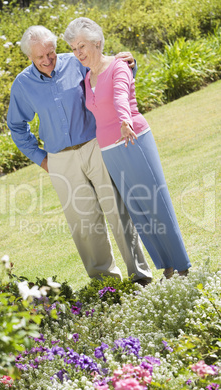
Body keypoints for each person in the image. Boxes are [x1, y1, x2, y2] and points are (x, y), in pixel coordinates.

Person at [7, 25, 153, 284]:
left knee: (117, 210)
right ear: (29, 57)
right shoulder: (23, 84)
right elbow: (17, 126)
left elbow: (110, 76)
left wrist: (129, 65)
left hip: (96, 146)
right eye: (39, 57)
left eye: (50, 53)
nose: (47, 60)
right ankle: (105, 285)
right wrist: (41, 159)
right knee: (84, 224)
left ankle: (140, 275)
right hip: (60, 160)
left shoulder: (75, 63)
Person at [64, 18, 191, 279]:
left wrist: (124, 120)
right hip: (109, 149)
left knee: (155, 202)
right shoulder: (87, 77)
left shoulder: (119, 66)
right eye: (74, 48)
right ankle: (165, 265)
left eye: (82, 46)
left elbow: (121, 94)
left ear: (97, 43)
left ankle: (182, 265)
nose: (78, 53)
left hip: (133, 138)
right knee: (137, 208)